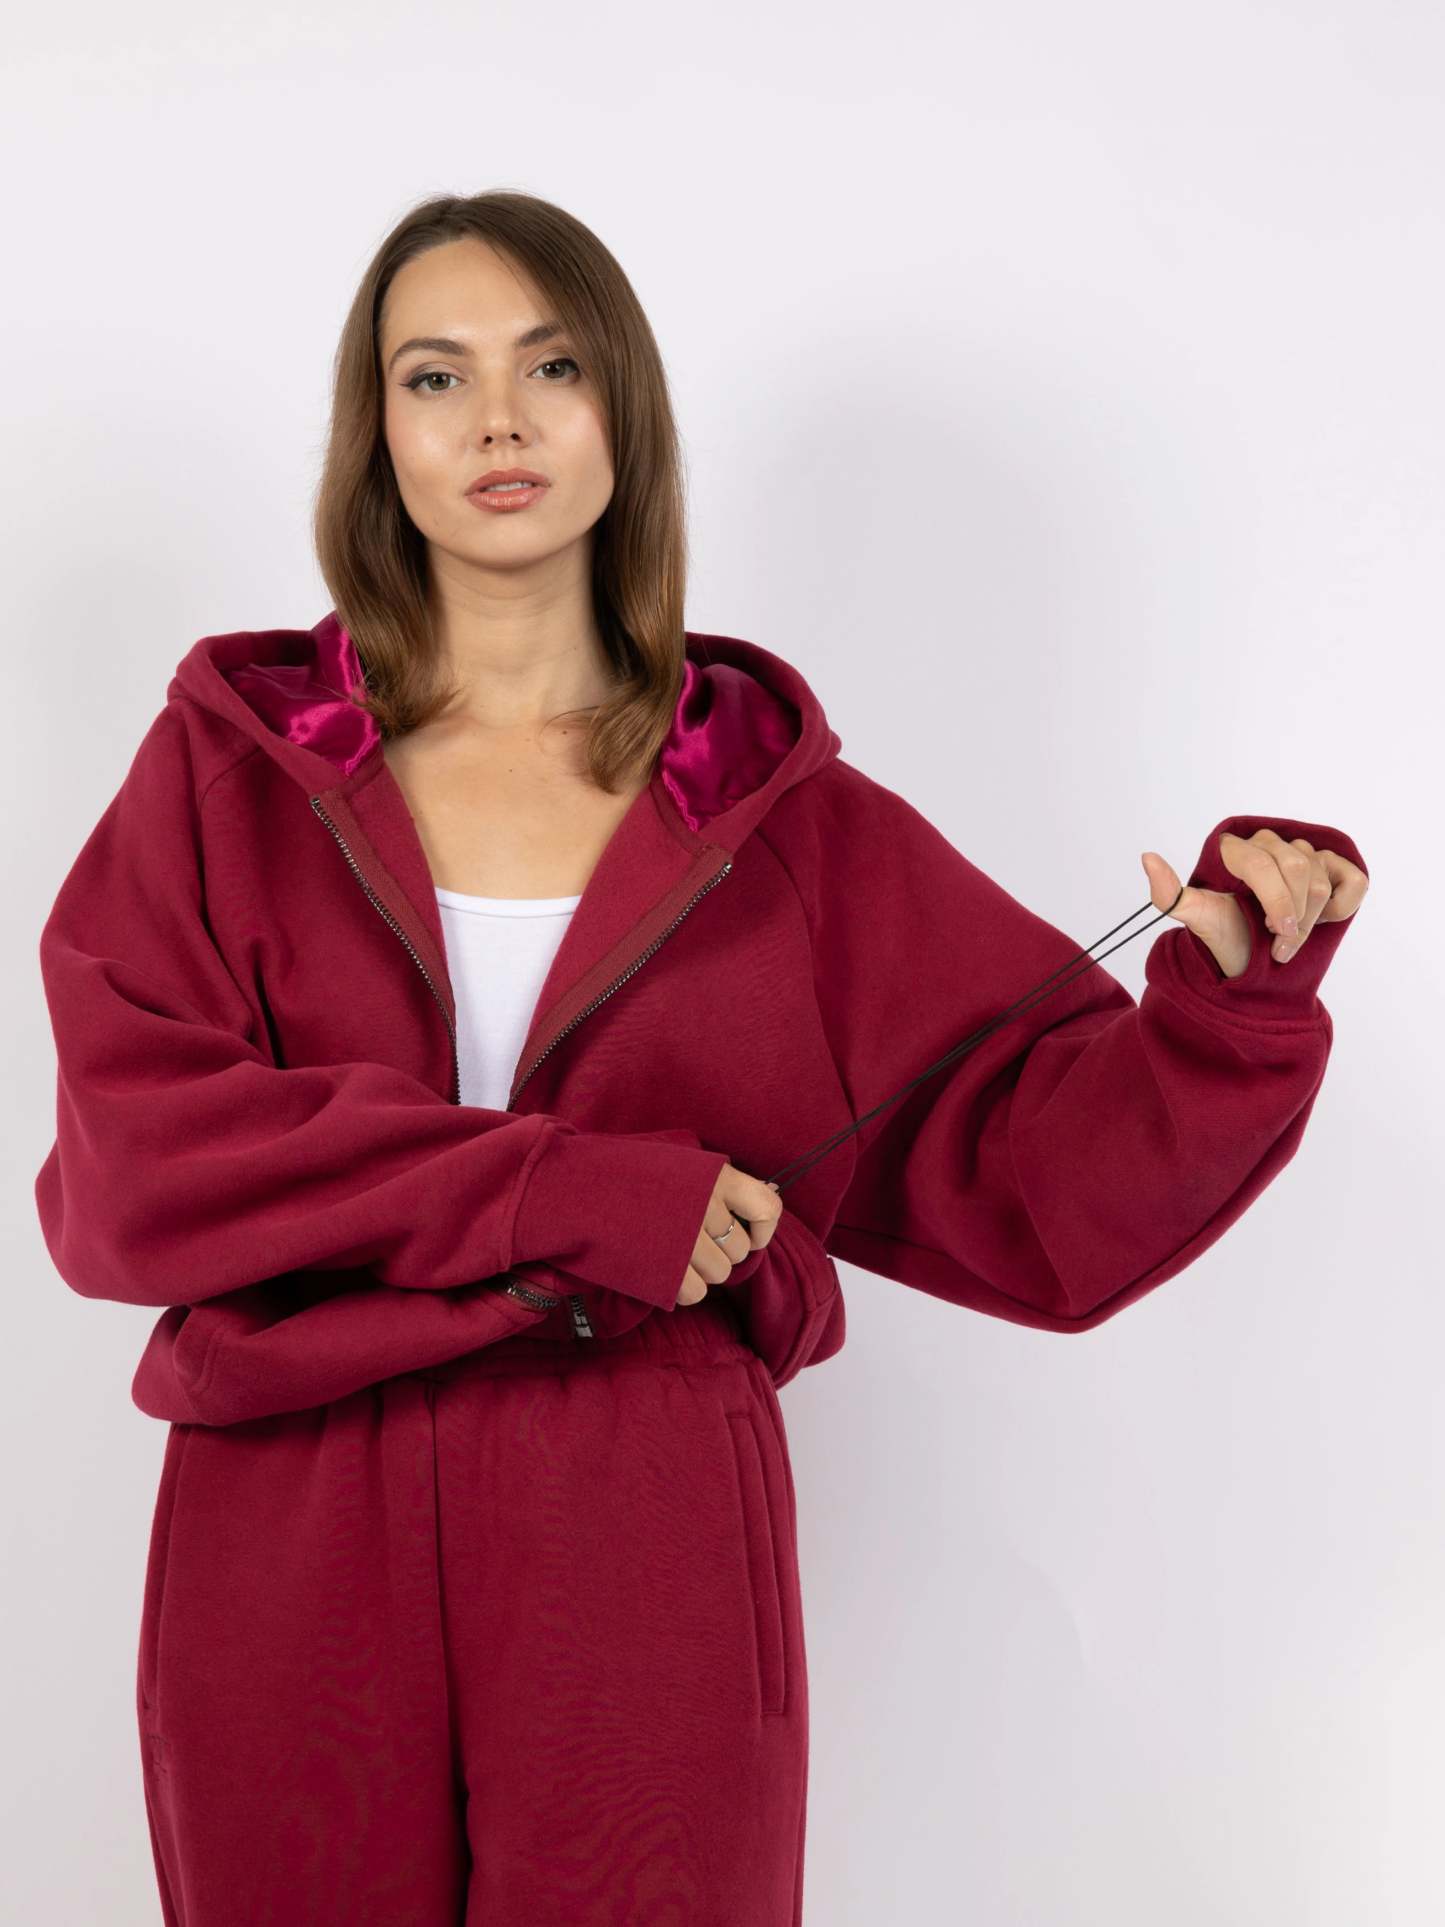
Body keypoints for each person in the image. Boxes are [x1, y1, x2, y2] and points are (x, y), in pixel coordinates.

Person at [33, 190, 1369, 1927]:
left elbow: (1032, 1184)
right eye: (434, 376)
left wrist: (1226, 1010)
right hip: (292, 1499)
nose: (497, 419)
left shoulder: (774, 816)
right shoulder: (230, 775)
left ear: (625, 414)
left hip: (640, 1505)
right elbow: (136, 1169)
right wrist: (568, 1192)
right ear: (376, 436)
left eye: (552, 366)